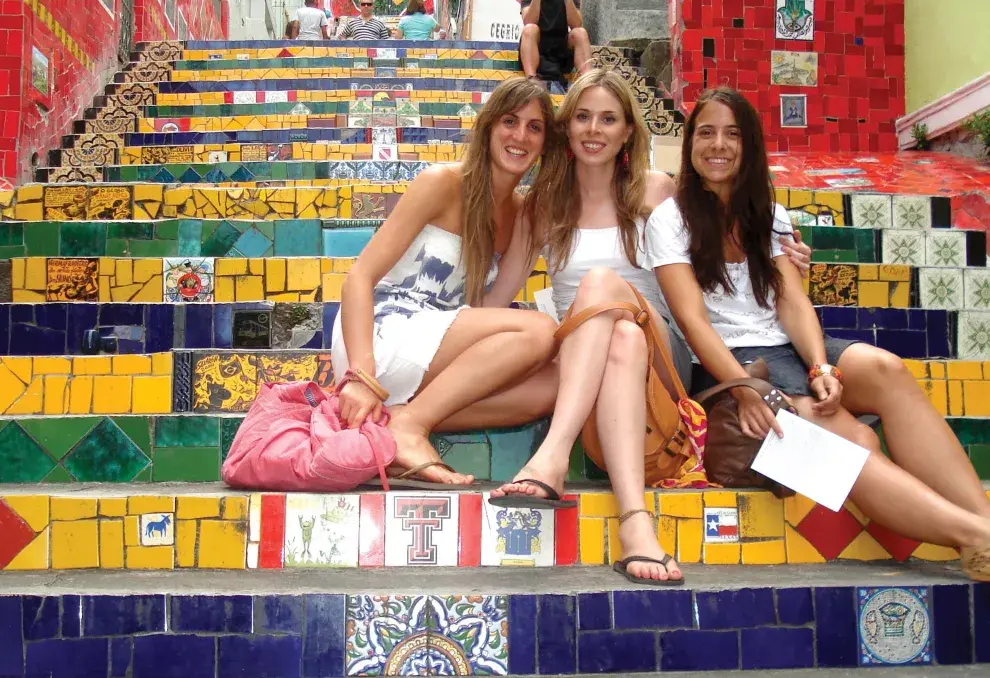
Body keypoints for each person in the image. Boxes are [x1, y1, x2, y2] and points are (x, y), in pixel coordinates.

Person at [647, 86, 990, 582]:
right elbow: (695, 323)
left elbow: (791, 300)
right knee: (849, 437)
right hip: (731, 367)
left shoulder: (769, 215)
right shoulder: (670, 220)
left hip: (783, 348)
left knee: (886, 368)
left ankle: (981, 523)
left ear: (749, 146)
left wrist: (820, 365)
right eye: (706, 133)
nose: (717, 145)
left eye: (732, 134)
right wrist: (744, 394)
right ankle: (972, 536)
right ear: (689, 143)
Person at [489, 70, 812, 586]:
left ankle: (552, 454)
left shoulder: (658, 191)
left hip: (666, 359)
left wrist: (783, 252)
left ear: (627, 133)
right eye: (583, 117)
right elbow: (500, 296)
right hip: (594, 363)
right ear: (567, 129)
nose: (595, 129)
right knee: (621, 335)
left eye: (609, 119)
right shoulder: (544, 206)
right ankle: (636, 524)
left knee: (603, 287)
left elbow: (720, 243)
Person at [331, 77, 562, 488]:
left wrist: (535, 230)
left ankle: (403, 418)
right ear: (489, 126)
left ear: (546, 142)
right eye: (510, 121)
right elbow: (359, 278)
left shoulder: (524, 213)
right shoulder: (441, 183)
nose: (520, 136)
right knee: (541, 330)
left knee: (553, 383)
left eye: (535, 127)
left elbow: (491, 310)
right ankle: (409, 427)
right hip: (381, 334)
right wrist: (361, 375)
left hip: (439, 346)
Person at [519, 0, 592, 83]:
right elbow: (528, 21)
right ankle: (531, 80)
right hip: (535, 50)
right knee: (530, 29)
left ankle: (587, 81)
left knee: (580, 33)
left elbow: (576, 24)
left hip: (561, 51)